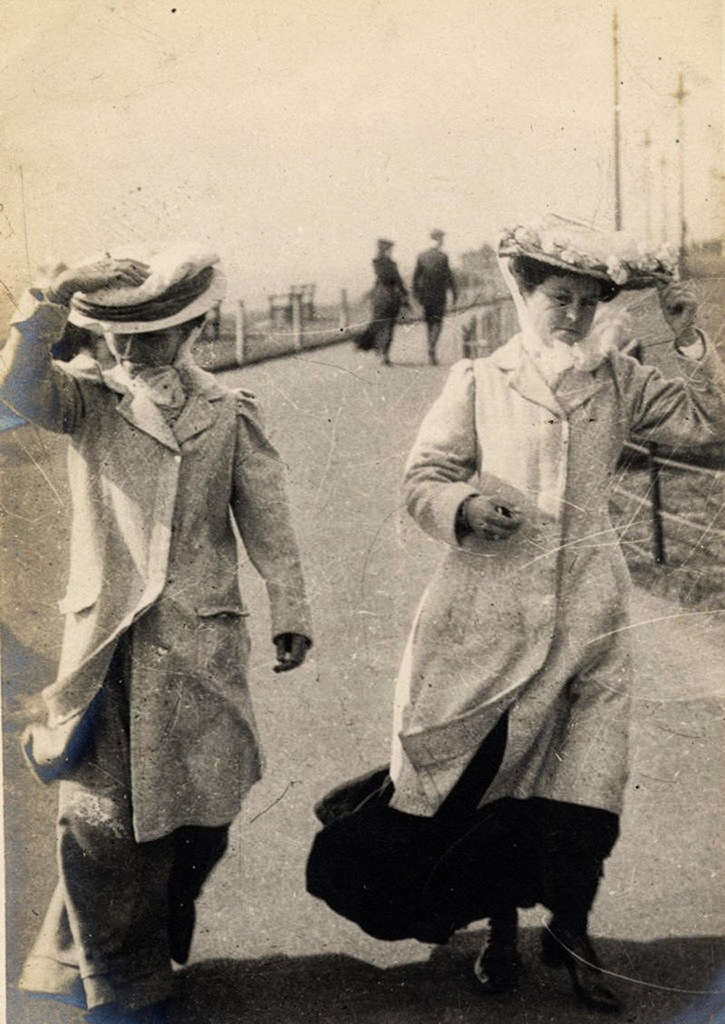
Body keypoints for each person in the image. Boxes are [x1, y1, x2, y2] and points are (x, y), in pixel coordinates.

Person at [307, 215, 725, 1014]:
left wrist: (687, 338)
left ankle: (571, 932)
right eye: (557, 297)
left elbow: (708, 424)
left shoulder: (619, 379)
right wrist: (462, 508)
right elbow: (422, 477)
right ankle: (499, 929)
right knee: (488, 781)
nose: (572, 314)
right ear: (523, 293)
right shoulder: (479, 380)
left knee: (585, 786)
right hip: (487, 614)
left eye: (586, 301)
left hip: (590, 613)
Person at [1, 245, 313, 1024]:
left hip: (198, 643)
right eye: (118, 334)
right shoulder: (87, 398)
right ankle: (122, 986)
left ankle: (131, 930)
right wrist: (49, 295)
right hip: (105, 646)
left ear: (194, 328)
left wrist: (289, 607)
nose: (132, 349)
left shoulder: (229, 411)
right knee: (97, 820)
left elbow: (267, 520)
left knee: (202, 811)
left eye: (152, 334)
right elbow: (17, 388)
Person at [355, 238, 410, 365]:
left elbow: (398, 280)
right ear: (384, 250)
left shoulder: (391, 263)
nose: (391, 252)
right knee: (381, 324)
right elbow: (385, 277)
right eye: (389, 249)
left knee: (389, 326)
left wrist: (404, 294)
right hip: (383, 297)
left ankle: (384, 353)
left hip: (389, 297)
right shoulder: (378, 262)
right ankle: (380, 350)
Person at [412, 228, 458, 365]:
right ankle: (432, 348)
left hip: (425, 296)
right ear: (438, 240)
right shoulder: (443, 257)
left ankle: (431, 348)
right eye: (441, 239)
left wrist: (416, 294)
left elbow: (416, 277)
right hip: (439, 295)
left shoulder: (421, 256)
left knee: (429, 323)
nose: (442, 242)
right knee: (437, 323)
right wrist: (454, 293)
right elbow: (449, 277)